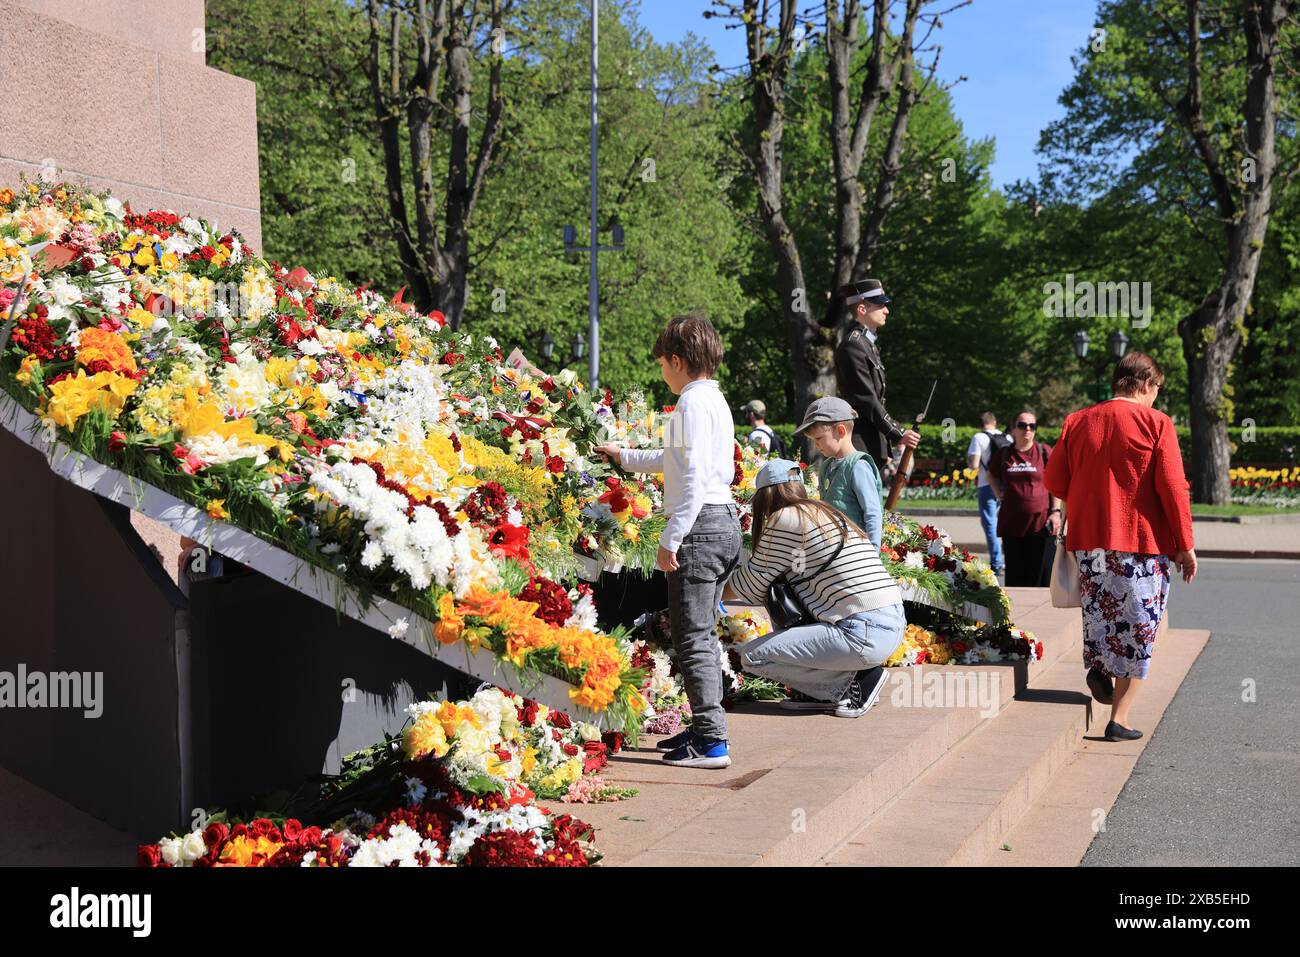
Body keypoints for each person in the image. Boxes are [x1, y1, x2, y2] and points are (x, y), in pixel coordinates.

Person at [594, 315, 742, 769]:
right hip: (723, 523)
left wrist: (671, 537)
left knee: (692, 634)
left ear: (677, 361)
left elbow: (692, 479)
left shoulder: (690, 406)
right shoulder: (712, 400)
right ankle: (702, 729)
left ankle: (712, 741)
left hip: (699, 527)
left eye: (662, 364)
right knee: (700, 632)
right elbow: (673, 460)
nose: (661, 373)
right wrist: (624, 456)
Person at [1044, 352, 1197, 744]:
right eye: (1157, 389)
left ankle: (1098, 666)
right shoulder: (1157, 423)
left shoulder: (1077, 421)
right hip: (1140, 542)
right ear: (1146, 383)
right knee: (1140, 632)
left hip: (1090, 544)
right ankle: (1120, 719)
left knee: (1101, 618)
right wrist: (1185, 544)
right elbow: (1173, 488)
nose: (1157, 397)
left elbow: (1056, 481)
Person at [721, 459, 904, 717]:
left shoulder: (785, 518)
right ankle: (827, 692)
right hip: (890, 622)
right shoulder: (825, 512)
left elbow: (752, 583)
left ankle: (856, 683)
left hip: (862, 632)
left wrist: (705, 594)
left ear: (765, 496)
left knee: (753, 656)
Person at [832, 278, 920, 481]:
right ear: (862, 309)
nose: (886, 310)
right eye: (880, 305)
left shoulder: (866, 344)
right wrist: (898, 432)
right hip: (859, 442)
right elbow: (867, 399)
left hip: (869, 441)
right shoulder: (854, 345)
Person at [794, 396, 885, 547]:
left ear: (841, 431)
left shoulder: (858, 466)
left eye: (819, 438)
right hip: (835, 550)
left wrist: (873, 553)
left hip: (857, 552)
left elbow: (873, 513)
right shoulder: (827, 466)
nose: (816, 445)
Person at [988, 408, 1062, 587]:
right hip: (1013, 525)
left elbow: (1056, 482)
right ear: (1013, 429)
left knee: (1042, 579)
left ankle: (1042, 614)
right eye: (1022, 425)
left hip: (1041, 525)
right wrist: (998, 492)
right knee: (1016, 578)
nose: (1027, 429)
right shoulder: (1004, 454)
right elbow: (990, 474)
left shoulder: (1044, 452)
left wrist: (1056, 512)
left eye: (1032, 425)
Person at [966, 412, 1009, 576]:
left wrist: (969, 461)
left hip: (986, 485)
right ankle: (1006, 559)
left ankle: (997, 562)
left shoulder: (978, 437)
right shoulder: (1007, 438)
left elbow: (974, 465)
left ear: (980, 424)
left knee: (990, 524)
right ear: (995, 422)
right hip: (1005, 486)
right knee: (1004, 523)